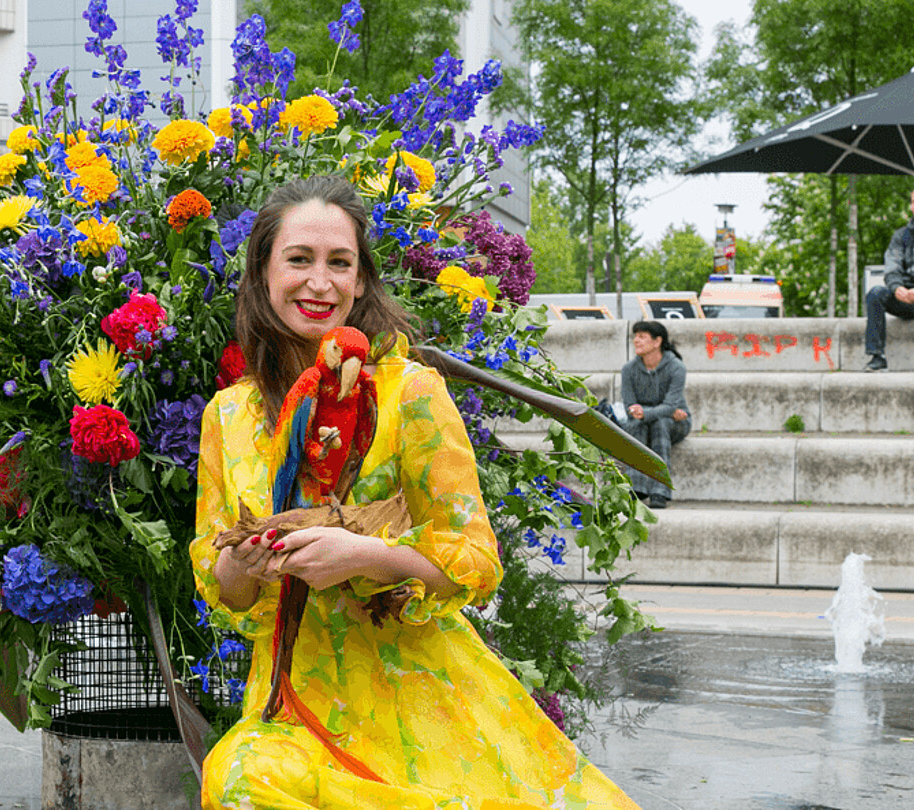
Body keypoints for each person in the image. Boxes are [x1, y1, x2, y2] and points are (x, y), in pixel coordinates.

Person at [192, 176, 638, 808]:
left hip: (419, 700)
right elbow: (227, 591)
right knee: (238, 778)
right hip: (293, 706)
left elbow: (477, 560)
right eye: (299, 259)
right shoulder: (227, 418)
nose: (320, 282)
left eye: (339, 263)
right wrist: (245, 560)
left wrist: (366, 557)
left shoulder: (411, 395)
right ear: (262, 273)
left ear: (361, 281)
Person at [618, 320, 689, 509]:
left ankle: (660, 490)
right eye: (635, 337)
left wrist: (646, 412)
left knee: (660, 424)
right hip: (644, 420)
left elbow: (671, 405)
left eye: (642, 337)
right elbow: (629, 405)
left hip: (677, 422)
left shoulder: (676, 367)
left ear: (657, 342)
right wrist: (638, 412)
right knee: (636, 424)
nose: (636, 341)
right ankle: (636, 488)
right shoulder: (629, 370)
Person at [864, 188, 914, 372]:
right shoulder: (900, 236)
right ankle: (877, 357)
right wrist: (896, 288)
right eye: (913, 201)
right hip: (904, 298)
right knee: (876, 294)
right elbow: (891, 265)